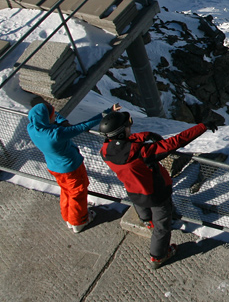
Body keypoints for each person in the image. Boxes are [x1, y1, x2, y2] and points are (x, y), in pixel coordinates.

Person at [98, 111, 216, 269]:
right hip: (156, 193)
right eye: (127, 126)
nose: (129, 128)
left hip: (133, 191)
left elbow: (124, 145)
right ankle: (158, 256)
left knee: (143, 210)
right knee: (162, 226)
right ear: (120, 133)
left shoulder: (105, 152)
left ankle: (147, 221)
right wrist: (202, 127)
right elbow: (174, 143)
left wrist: (145, 135)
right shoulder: (142, 152)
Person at [26, 96, 121, 233]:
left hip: (54, 167)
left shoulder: (33, 128)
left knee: (67, 191)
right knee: (78, 193)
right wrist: (108, 112)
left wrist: (61, 120)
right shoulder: (56, 134)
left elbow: (51, 116)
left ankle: (68, 217)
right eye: (52, 116)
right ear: (47, 119)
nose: (55, 116)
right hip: (71, 168)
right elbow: (84, 126)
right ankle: (79, 221)